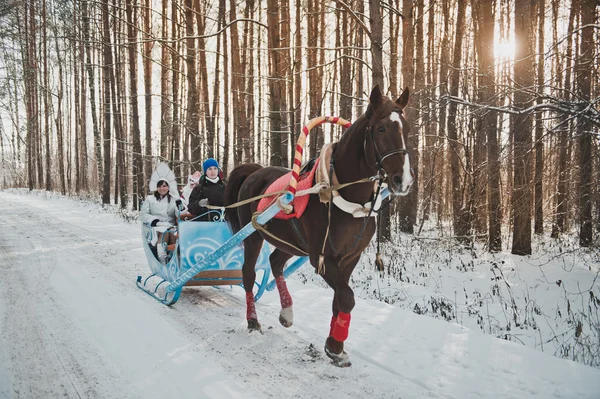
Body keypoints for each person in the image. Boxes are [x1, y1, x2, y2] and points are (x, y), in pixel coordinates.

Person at [141, 179, 178, 263]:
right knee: (163, 232)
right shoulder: (150, 199)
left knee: (172, 232)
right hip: (156, 226)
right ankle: (162, 259)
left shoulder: (173, 199)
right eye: (159, 186)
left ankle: (174, 259)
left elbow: (179, 213)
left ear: (168, 187)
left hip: (170, 225)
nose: (162, 188)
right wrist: (154, 221)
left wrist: (178, 203)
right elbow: (143, 214)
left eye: (164, 186)